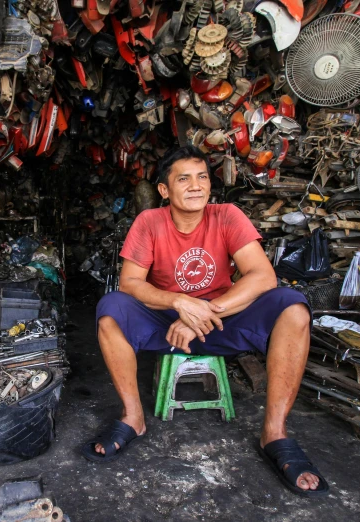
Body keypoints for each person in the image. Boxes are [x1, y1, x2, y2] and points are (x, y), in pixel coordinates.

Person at [81, 146, 329, 497]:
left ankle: (275, 433)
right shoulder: (149, 222)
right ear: (165, 190)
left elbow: (262, 276)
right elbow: (131, 283)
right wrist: (179, 302)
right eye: (184, 179)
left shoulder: (227, 215)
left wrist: (205, 312)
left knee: (293, 306)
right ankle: (132, 418)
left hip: (222, 320)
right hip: (167, 325)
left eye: (202, 177)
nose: (196, 186)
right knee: (111, 309)